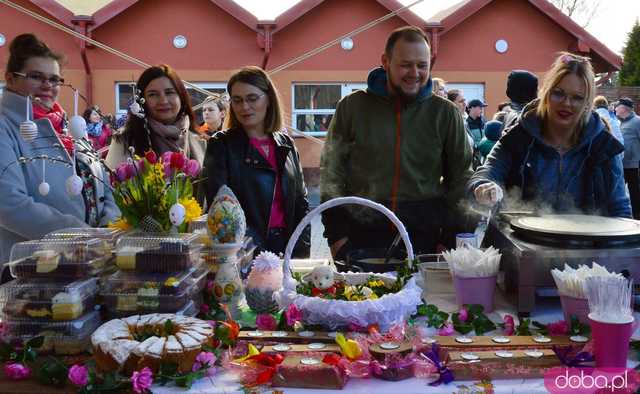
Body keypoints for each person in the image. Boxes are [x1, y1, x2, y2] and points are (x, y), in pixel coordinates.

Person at [321, 26, 472, 258]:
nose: (414, 73)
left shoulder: (445, 113)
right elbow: (331, 173)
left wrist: (449, 237)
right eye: (405, 64)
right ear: (385, 61)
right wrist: (337, 237)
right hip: (361, 234)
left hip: (425, 238)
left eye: (422, 65)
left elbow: (461, 179)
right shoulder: (352, 107)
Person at [0, 34, 120, 263]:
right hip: (32, 268)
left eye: (54, 79)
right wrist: (82, 236)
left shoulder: (66, 125)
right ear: (11, 79)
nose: (48, 85)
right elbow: (8, 204)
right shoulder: (5, 126)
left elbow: (102, 184)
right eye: (36, 76)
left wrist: (110, 227)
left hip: (90, 259)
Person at [468, 52, 630, 218]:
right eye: (558, 93)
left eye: (577, 97)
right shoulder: (519, 137)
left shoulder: (603, 145)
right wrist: (483, 186)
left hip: (588, 243)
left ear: (587, 103)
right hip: (521, 241)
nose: (566, 103)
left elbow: (620, 208)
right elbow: (486, 173)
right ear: (545, 94)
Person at [204, 66, 310, 257]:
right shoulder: (221, 145)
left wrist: (301, 251)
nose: (244, 107)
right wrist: (246, 252)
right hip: (245, 250)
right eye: (237, 100)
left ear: (268, 98)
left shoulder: (286, 144)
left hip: (287, 247)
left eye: (252, 98)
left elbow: (301, 203)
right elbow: (220, 209)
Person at [105, 64, 205, 169]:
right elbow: (112, 182)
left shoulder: (199, 140)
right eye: (153, 95)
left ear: (181, 96)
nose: (163, 101)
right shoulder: (125, 141)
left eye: (169, 92)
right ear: (142, 101)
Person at [616, 97, 640, 219]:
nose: (615, 108)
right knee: (619, 191)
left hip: (634, 165)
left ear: (624, 109)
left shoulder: (637, 122)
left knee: (635, 192)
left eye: (617, 106)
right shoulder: (621, 122)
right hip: (622, 164)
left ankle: (637, 217)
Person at [466, 99, 487, 169]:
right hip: (472, 157)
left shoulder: (483, 121)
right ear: (471, 108)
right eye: (480, 108)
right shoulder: (466, 123)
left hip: (483, 157)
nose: (481, 110)